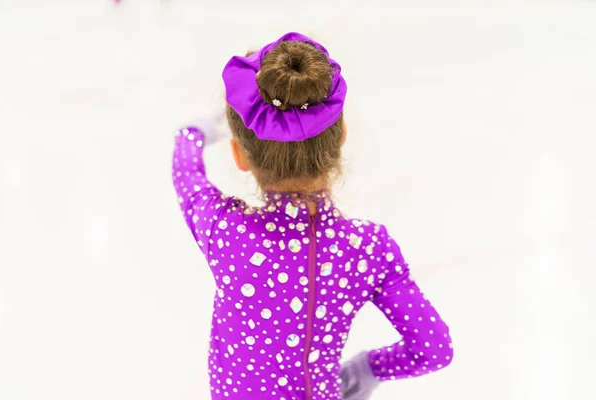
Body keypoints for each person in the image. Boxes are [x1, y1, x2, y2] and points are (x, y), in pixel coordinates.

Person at [172, 32, 453, 400]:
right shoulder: (366, 248)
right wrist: (368, 368)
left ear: (240, 156)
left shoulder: (226, 229)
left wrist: (191, 135)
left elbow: (187, 179)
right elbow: (433, 347)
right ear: (341, 137)